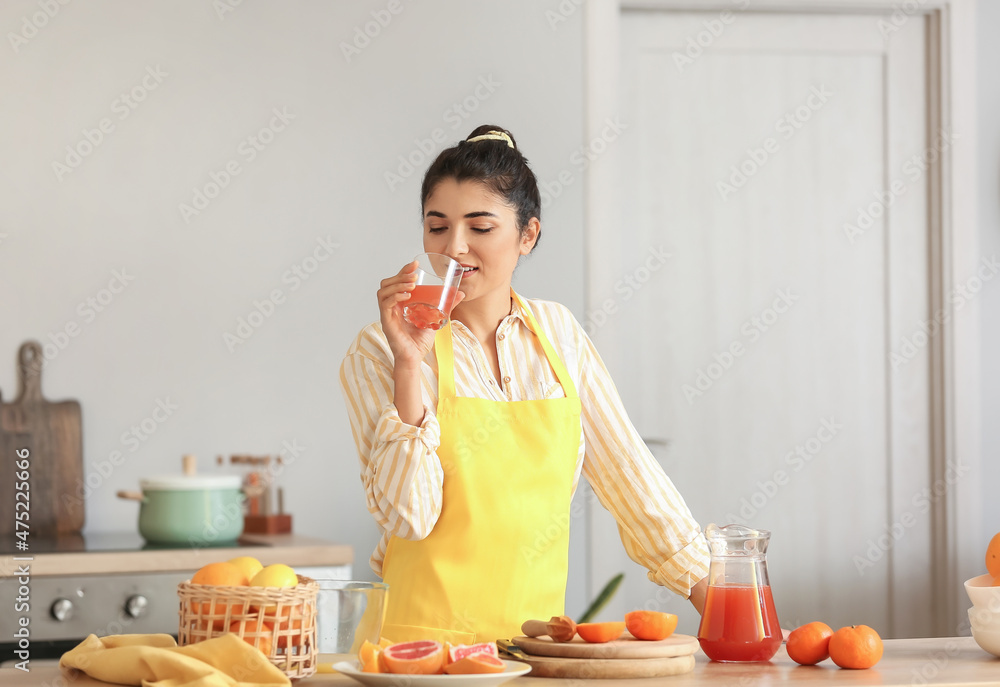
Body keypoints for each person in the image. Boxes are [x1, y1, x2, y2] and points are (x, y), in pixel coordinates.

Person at [340, 125, 709, 645]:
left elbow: (633, 480)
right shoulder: (377, 350)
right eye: (437, 227)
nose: (454, 248)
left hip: (536, 653)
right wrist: (407, 364)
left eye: (481, 227)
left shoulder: (558, 335)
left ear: (528, 236)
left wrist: (722, 603)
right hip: (418, 656)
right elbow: (409, 518)